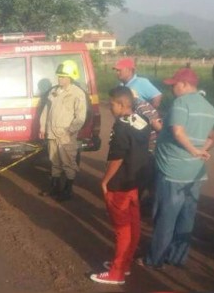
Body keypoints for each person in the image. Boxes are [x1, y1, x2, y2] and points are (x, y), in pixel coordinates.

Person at [138, 68, 214, 269]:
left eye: (174, 85)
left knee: (165, 217)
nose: (172, 89)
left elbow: (177, 131)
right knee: (186, 217)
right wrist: (201, 151)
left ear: (184, 84)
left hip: (173, 170)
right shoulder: (209, 107)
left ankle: (155, 259)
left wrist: (193, 149)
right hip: (195, 173)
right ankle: (177, 257)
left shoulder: (181, 103)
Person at [89, 86, 150, 285]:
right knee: (133, 225)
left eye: (113, 104)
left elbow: (117, 157)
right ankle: (125, 264)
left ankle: (116, 273)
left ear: (123, 104)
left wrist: (105, 180)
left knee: (122, 229)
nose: (110, 108)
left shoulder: (121, 126)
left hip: (120, 183)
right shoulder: (142, 121)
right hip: (135, 182)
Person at [38, 60, 88, 201]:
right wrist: (42, 127)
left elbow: (80, 116)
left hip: (66, 136)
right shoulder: (54, 91)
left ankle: (68, 190)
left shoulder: (77, 93)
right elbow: (46, 110)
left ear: (70, 77)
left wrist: (70, 131)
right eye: (59, 76)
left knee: (68, 163)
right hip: (52, 133)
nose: (60, 78)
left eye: (63, 76)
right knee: (54, 162)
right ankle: (55, 188)